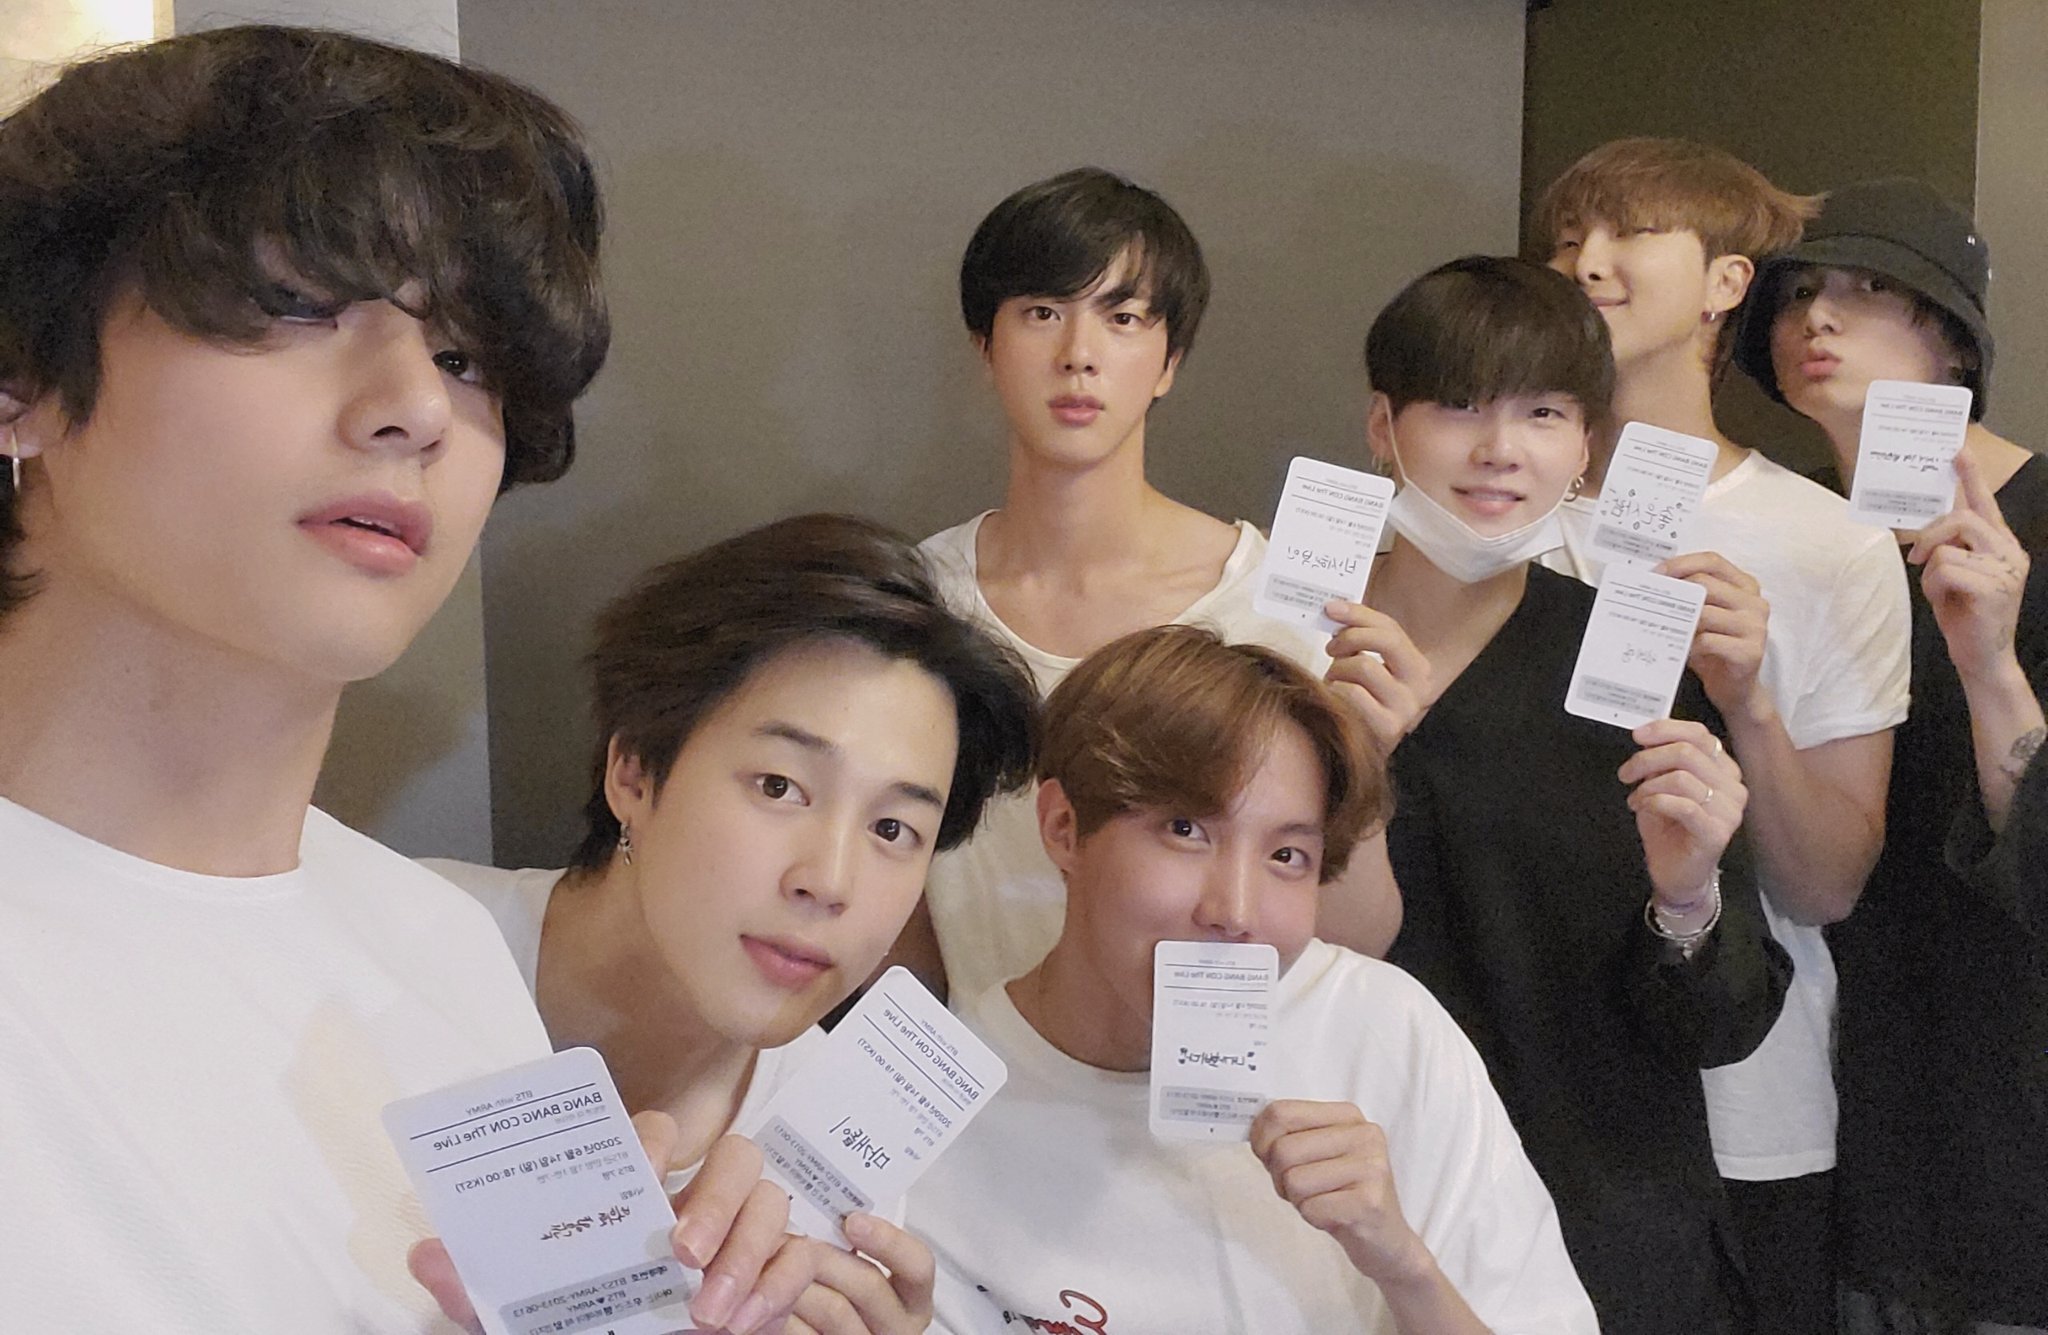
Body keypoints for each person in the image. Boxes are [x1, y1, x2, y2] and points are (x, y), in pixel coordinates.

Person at [0, 25, 610, 1330]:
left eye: (466, 357)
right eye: (299, 304)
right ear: (24, 380)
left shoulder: (441, 950)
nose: (417, 410)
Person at [422, 513, 1038, 1335]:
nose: (829, 881)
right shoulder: (397, 946)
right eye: (780, 786)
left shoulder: (835, 1173)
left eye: (893, 829)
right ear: (634, 770)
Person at [1322, 255, 1790, 1332]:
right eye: (1459, 406)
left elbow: (1721, 1022)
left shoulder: (1637, 667)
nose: (1500, 450)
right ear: (1383, 426)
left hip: (1601, 1227)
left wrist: (1687, 899)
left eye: (1542, 413)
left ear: (1584, 448)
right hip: (1345, 1212)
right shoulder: (1283, 651)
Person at [907, 625, 1598, 1334]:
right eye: (1185, 830)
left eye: (1287, 856)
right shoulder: (934, 1103)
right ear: (1062, 826)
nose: (1234, 911)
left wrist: (1403, 1265)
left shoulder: (1383, 1032)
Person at [1534, 138, 1911, 1331]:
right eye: (1566, 241)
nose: (1586, 265)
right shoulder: (1481, 517)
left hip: (1741, 1112)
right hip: (1518, 1083)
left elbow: (1825, 883)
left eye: (1627, 234)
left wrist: (1746, 702)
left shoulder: (1825, 543)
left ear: (1724, 282)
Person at [902, 167, 1397, 1009]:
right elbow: (895, 914)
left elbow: (1352, 938)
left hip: (1222, 1073)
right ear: (985, 346)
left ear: (1169, 361)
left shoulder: (1280, 603)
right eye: (1042, 313)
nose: (1079, 354)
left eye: (1123, 318)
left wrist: (1367, 757)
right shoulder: (921, 606)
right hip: (985, 1071)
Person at [1735, 177, 2048, 1333]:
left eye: (1869, 288)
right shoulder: (1786, 536)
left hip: (2011, 1090)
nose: (1815, 318)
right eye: (1795, 295)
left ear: (1952, 338)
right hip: (1843, 1084)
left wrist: (1990, 662)